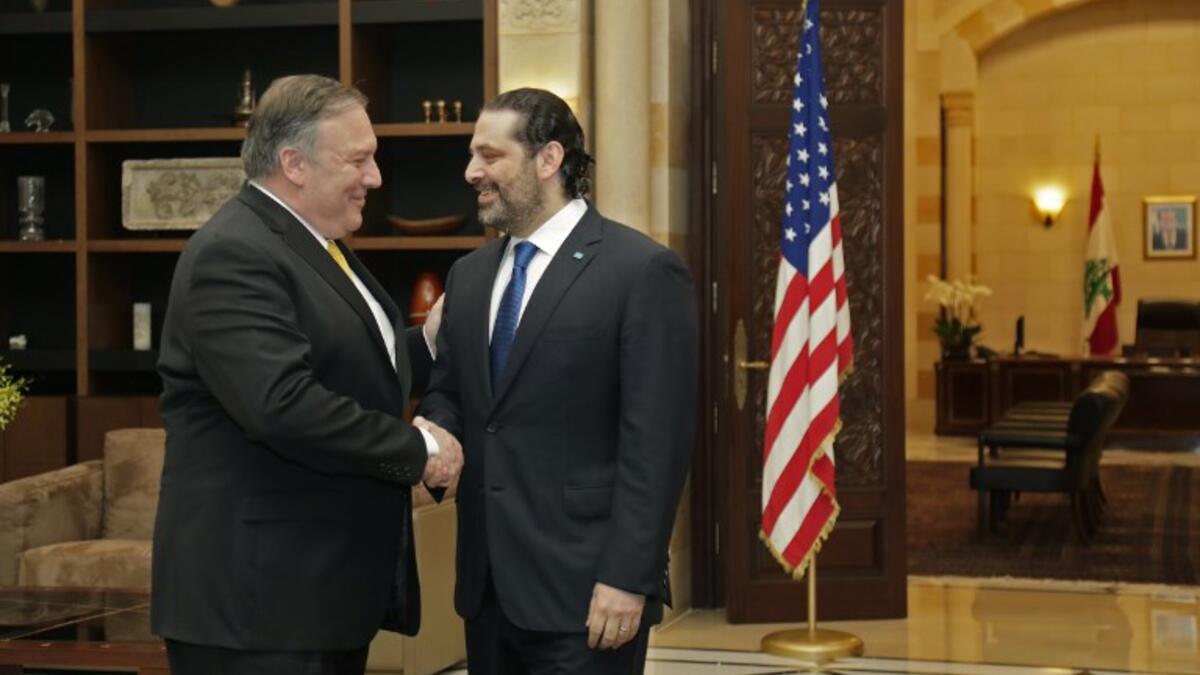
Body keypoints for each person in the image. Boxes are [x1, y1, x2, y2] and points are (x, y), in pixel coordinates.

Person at [152, 74, 463, 675]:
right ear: (294, 163)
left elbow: (340, 363)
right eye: (359, 159)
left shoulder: (314, 244)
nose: (375, 177)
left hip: (315, 596)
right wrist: (418, 448)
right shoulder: (235, 252)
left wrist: (425, 344)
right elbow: (281, 402)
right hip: (257, 610)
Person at [419, 88, 698, 674]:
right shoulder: (469, 276)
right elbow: (451, 391)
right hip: (487, 591)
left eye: (490, 156)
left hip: (589, 593)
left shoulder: (640, 271)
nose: (472, 172)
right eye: (472, 155)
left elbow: (656, 444)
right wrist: (434, 435)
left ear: (549, 160)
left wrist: (628, 576)